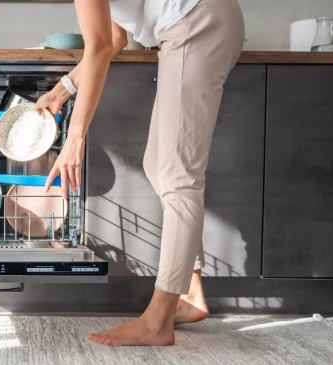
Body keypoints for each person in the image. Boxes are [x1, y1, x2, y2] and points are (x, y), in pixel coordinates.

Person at [35, 0, 245, 346]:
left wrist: (75, 138)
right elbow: (114, 37)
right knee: (159, 166)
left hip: (196, 22)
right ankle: (189, 296)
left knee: (178, 175)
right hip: (195, 22)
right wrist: (63, 89)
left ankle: (158, 322)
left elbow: (101, 46)